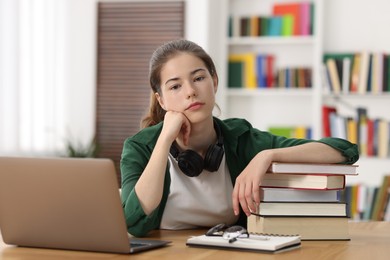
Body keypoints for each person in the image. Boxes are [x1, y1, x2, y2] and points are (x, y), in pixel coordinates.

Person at [120, 39, 359, 237]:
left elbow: (343, 151)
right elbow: (133, 220)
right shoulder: (139, 147)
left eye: (199, 78)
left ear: (214, 81)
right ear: (161, 100)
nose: (190, 91)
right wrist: (164, 140)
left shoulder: (241, 138)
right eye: (175, 87)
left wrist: (268, 155)